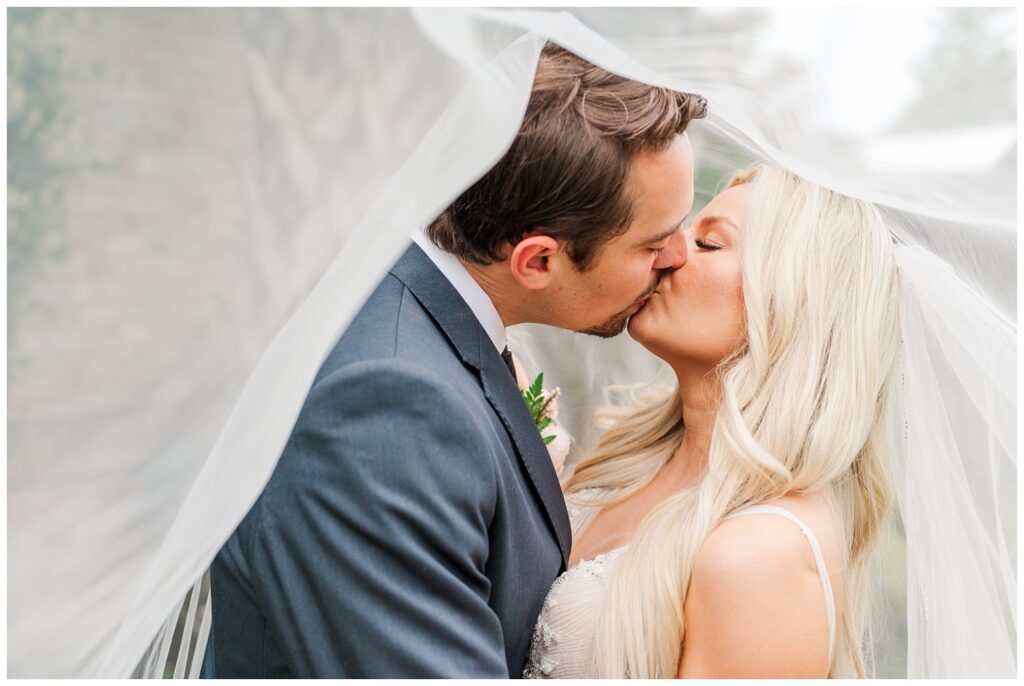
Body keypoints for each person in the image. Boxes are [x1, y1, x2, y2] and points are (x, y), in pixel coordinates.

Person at [201, 43, 707, 678]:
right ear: (538, 261)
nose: (681, 256)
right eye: (656, 242)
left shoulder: (426, 328)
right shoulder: (390, 406)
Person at [524, 163, 902, 678]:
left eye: (708, 243)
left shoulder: (762, 553)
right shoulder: (625, 462)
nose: (669, 252)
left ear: (789, 297)